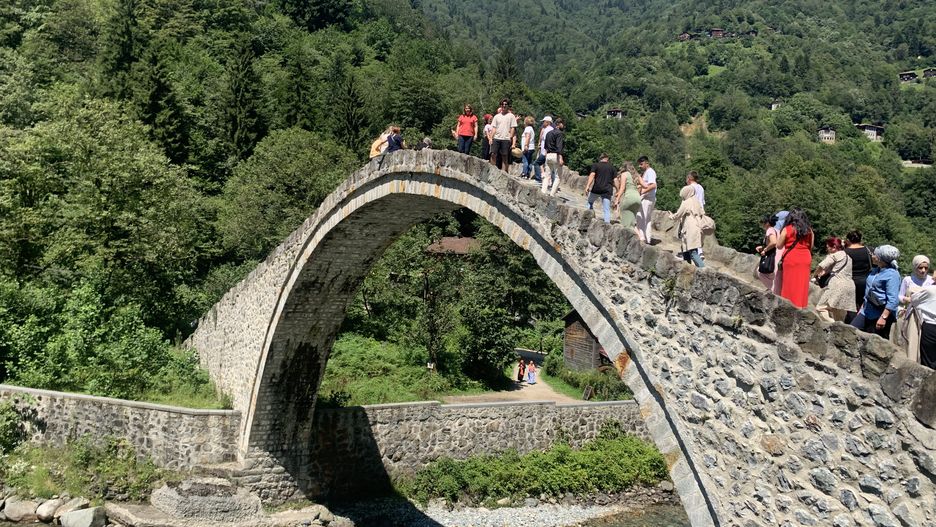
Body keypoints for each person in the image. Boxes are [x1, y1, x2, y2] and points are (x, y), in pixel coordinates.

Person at [851, 245, 901, 338]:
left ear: (879, 258)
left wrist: (883, 318)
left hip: (880, 313)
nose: (872, 255)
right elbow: (868, 291)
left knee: (874, 341)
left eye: (874, 254)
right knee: (851, 331)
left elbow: (893, 300)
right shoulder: (875, 270)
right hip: (866, 310)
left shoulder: (892, 274)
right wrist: (862, 308)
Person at [897, 255, 934, 362]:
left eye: (926, 268)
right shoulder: (908, 280)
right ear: (915, 267)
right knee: (912, 341)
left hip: (926, 316)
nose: (923, 271)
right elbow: (899, 295)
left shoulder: (931, 281)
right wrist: (906, 299)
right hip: (912, 314)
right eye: (920, 267)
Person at [776, 208, 813, 308]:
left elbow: (779, 245)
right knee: (802, 285)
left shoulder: (787, 229)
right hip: (805, 258)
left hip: (791, 257)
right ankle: (801, 306)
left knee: (789, 284)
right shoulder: (809, 230)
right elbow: (811, 246)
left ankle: (788, 307)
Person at [813, 237, 856, 322]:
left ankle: (834, 325)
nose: (827, 249)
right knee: (838, 313)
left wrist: (815, 275)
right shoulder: (848, 257)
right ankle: (840, 329)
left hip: (837, 284)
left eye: (827, 247)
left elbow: (821, 266)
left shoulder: (835, 255)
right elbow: (835, 268)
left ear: (834, 247)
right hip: (850, 286)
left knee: (820, 308)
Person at [671, 185, 705, 268]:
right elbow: (702, 212)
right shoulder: (696, 201)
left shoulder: (686, 202)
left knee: (692, 252)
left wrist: (671, 216)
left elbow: (678, 214)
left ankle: (704, 270)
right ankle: (687, 270)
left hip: (689, 228)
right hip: (697, 227)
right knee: (686, 251)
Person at [843, 230, 873, 323]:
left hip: (850, 282)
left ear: (848, 240)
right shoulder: (869, 250)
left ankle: (852, 327)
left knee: (851, 307)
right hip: (866, 281)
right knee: (865, 305)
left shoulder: (845, 252)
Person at [584, 154, 618, 224]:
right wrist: (618, 190)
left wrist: (588, 186)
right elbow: (615, 180)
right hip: (607, 190)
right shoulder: (612, 168)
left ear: (600, 158)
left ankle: (588, 218)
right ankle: (607, 225)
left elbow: (592, 175)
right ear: (607, 159)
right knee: (606, 209)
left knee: (589, 202)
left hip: (597, 188)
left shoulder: (596, 165)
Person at [909, 285, 936, 368]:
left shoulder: (930, 290)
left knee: (928, 362)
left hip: (931, 327)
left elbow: (913, 299)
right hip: (931, 326)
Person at [756, 214, 782, 292]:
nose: (762, 224)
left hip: (772, 257)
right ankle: (774, 291)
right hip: (778, 256)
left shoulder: (769, 230)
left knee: (760, 272)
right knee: (774, 278)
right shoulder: (777, 230)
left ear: (767, 223)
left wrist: (765, 250)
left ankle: (773, 291)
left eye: (762, 222)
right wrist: (763, 247)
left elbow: (774, 242)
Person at [634, 156, 657, 244]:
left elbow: (653, 185)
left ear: (647, 163)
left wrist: (642, 192)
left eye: (641, 164)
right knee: (645, 219)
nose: (640, 166)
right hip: (647, 198)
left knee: (643, 218)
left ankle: (644, 238)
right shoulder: (647, 172)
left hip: (647, 198)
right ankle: (646, 238)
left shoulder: (650, 172)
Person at [613, 161, 642, 230]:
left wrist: (617, 199)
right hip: (638, 199)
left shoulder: (624, 174)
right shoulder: (636, 176)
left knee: (625, 222)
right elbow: (643, 185)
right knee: (632, 223)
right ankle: (639, 239)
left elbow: (622, 188)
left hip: (629, 198)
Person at [491, 99, 517, 171]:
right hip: (497, 137)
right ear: (501, 105)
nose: (504, 106)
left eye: (505, 104)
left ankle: (504, 172)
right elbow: (494, 128)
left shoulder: (511, 116)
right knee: (493, 153)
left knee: (504, 156)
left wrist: (510, 137)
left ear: (508, 106)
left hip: (506, 138)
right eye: (503, 104)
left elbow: (513, 127)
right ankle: (492, 169)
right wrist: (490, 138)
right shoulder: (496, 116)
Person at [542, 118, 565, 195]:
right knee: (558, 177)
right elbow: (559, 147)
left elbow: (545, 146)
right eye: (562, 124)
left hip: (548, 155)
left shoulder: (548, 133)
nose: (563, 125)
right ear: (558, 124)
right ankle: (552, 194)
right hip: (556, 156)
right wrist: (561, 158)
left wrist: (546, 155)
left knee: (547, 175)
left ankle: (543, 192)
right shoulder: (559, 133)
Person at [686, 171, 705, 258]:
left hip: (692, 211)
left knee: (689, 232)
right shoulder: (701, 188)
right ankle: (700, 251)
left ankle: (688, 253)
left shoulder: (689, 188)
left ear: (690, 178)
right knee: (699, 232)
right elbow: (702, 201)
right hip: (700, 211)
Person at [533, 116, 553, 183]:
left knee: (536, 163)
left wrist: (545, 151)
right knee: (549, 167)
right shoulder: (551, 129)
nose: (543, 123)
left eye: (544, 121)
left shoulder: (547, 130)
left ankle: (538, 179)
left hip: (545, 151)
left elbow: (547, 141)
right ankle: (549, 182)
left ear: (547, 122)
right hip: (547, 151)